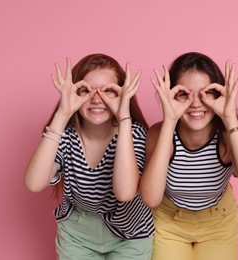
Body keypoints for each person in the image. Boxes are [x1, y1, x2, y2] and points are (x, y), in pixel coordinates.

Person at [139, 52, 238, 260]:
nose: (196, 103)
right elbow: (151, 198)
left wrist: (230, 118)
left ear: (219, 95)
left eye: (206, 93)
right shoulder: (159, 134)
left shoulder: (230, 137)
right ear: (170, 95)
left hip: (219, 222)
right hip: (169, 222)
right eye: (184, 94)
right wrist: (170, 121)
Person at [25, 53, 154, 260]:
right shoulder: (63, 134)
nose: (96, 99)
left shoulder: (135, 133)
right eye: (85, 90)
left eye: (108, 91)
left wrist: (124, 118)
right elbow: (34, 183)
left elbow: (125, 193)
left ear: (123, 94)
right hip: (77, 232)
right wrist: (62, 114)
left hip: (130, 233)